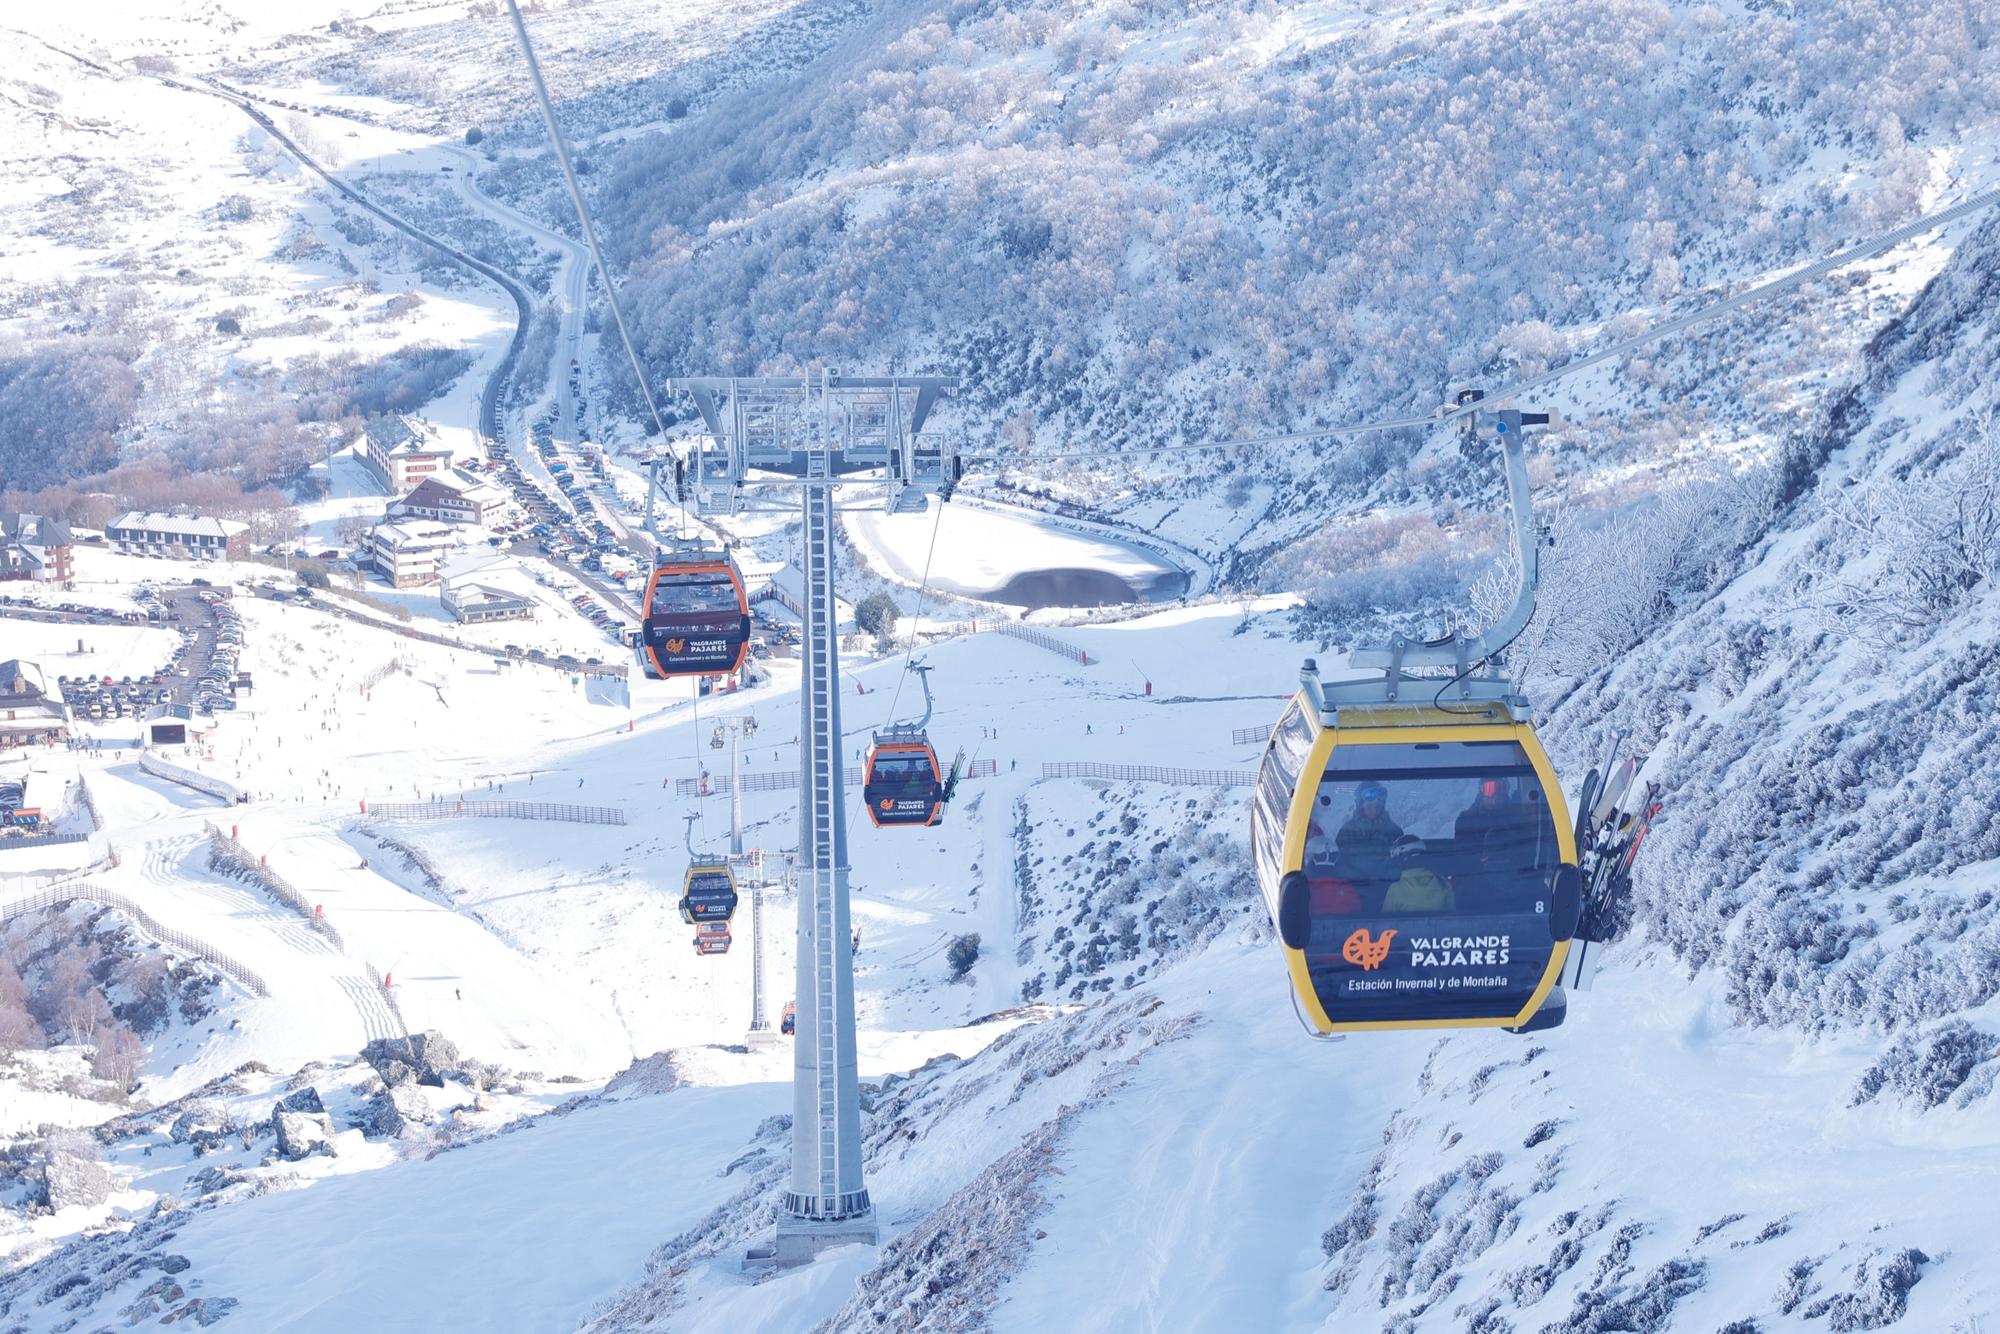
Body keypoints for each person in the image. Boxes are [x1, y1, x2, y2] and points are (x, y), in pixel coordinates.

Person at [1333, 782, 1402, 890]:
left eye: (1378, 804)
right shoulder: (1347, 831)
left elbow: (1401, 864)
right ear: (1360, 804)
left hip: (1388, 891)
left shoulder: (1393, 832)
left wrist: (1384, 878)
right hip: (1354, 890)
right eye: (1370, 804)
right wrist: (1359, 879)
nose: (1374, 808)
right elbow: (1339, 864)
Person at [1382, 836, 1454, 913]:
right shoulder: (1443, 884)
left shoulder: (1395, 889)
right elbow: (1453, 917)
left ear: (1399, 860)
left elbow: (1385, 922)